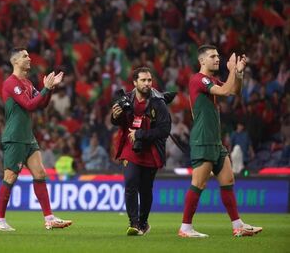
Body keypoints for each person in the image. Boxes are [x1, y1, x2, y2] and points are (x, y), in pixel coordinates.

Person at [179, 44, 262, 238]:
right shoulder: (198, 80)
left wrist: (238, 74)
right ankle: (185, 227)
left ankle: (238, 225)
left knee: (228, 179)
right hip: (203, 140)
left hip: (215, 141)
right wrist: (232, 69)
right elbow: (225, 91)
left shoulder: (210, 79)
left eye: (218, 56)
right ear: (202, 61)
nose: (217, 59)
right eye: (213, 56)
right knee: (198, 184)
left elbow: (235, 91)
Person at [0, 47, 71, 231]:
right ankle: (0, 221)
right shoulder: (10, 83)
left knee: (40, 174)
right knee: (10, 177)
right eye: (25, 56)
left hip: (28, 137)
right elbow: (29, 105)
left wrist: (49, 89)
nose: (29, 58)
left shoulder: (27, 83)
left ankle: (49, 218)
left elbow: (41, 104)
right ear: (15, 61)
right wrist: (45, 88)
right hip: (15, 137)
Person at [111, 67, 172, 236]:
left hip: (150, 149)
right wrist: (114, 116)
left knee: (146, 189)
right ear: (135, 82)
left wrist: (139, 134)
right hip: (130, 149)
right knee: (130, 183)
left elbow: (164, 130)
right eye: (143, 80)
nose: (147, 84)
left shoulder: (158, 102)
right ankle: (134, 223)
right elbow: (118, 121)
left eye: (149, 80)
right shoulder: (126, 99)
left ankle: (144, 222)